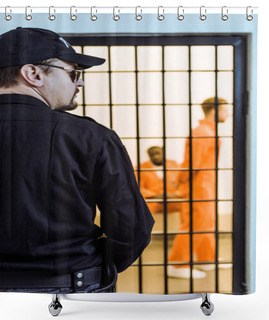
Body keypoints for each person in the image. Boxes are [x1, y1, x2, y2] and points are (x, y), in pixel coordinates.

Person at [0, 27, 154, 293]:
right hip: (71, 289)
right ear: (33, 74)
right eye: (73, 73)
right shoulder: (92, 137)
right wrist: (90, 263)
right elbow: (131, 230)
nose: (79, 83)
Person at [167, 97, 229, 279]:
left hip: (205, 186)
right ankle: (178, 265)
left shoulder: (207, 131)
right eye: (225, 110)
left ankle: (206, 260)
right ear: (214, 110)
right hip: (198, 187)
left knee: (207, 224)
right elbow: (192, 164)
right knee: (193, 225)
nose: (228, 114)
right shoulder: (203, 132)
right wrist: (180, 180)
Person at [137, 146, 182, 214]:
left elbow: (183, 184)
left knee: (187, 205)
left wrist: (176, 194)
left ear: (163, 153)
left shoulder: (174, 165)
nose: (155, 157)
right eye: (152, 155)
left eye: (157, 153)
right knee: (142, 209)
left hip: (173, 199)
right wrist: (154, 195)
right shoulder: (141, 168)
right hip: (152, 200)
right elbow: (138, 187)